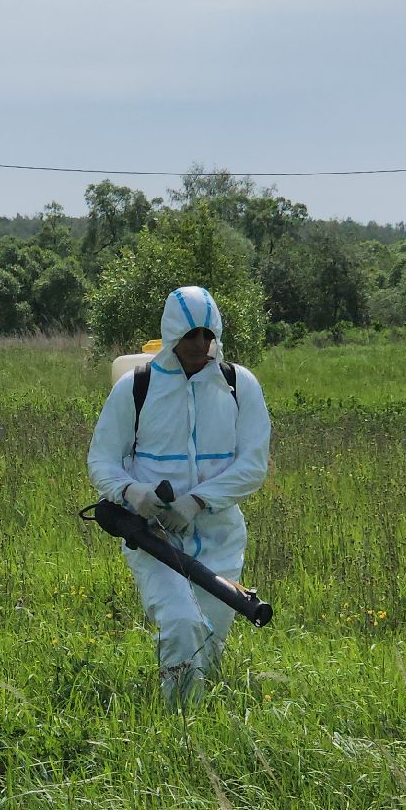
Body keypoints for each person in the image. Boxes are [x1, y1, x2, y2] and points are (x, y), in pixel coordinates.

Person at [87, 285, 271, 705]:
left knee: (209, 640)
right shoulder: (137, 386)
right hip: (155, 541)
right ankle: (181, 729)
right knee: (182, 626)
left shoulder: (239, 386)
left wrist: (197, 501)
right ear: (173, 334)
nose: (201, 344)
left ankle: (204, 721)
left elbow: (252, 466)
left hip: (222, 539)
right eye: (191, 335)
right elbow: (102, 460)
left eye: (208, 335)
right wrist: (134, 493)